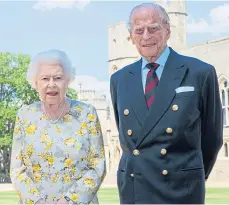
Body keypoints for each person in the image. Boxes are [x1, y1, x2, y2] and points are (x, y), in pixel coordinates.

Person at [110, 3, 223, 204]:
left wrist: (187, 174)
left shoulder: (200, 73)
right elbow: (126, 133)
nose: (146, 36)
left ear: (168, 30)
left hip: (181, 190)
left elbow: (212, 137)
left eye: (153, 28)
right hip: (135, 191)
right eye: (139, 30)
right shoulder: (119, 79)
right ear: (131, 36)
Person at [10, 49, 106, 205]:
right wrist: (38, 201)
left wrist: (69, 201)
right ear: (35, 83)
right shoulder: (24, 115)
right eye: (45, 78)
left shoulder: (87, 113)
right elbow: (16, 169)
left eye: (58, 78)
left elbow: (97, 166)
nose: (51, 84)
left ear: (68, 81)